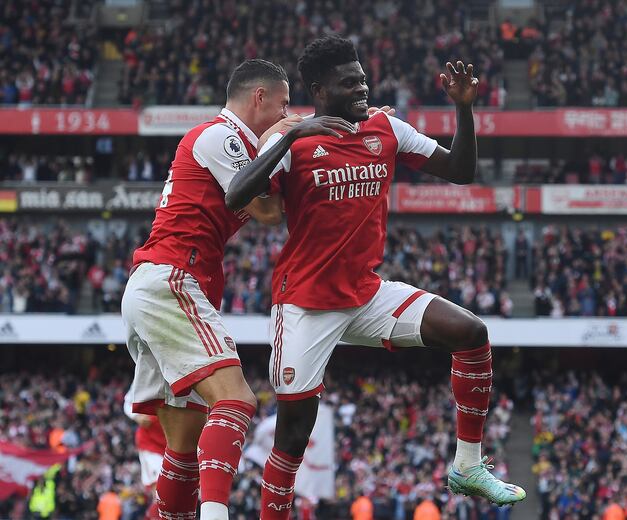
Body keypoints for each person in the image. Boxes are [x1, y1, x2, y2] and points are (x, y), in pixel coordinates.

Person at [226, 36, 526, 519]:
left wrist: (464, 110)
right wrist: (288, 137)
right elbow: (236, 195)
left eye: (363, 77)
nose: (362, 87)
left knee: (471, 332)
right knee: (293, 436)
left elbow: (462, 170)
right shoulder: (296, 139)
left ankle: (468, 466)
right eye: (350, 82)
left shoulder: (386, 128)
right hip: (304, 303)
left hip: (366, 293)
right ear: (320, 90)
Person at [121, 59, 292, 520]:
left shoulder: (231, 143)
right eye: (284, 105)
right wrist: (288, 137)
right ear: (259, 98)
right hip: (172, 280)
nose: (287, 113)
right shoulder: (221, 136)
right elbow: (269, 211)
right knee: (236, 400)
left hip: (157, 285)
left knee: (184, 440)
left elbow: (270, 199)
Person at [124, 386, 167, 519]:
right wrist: (136, 416)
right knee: (162, 492)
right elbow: (128, 400)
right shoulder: (149, 368)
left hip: (172, 442)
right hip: (150, 443)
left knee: (175, 493)